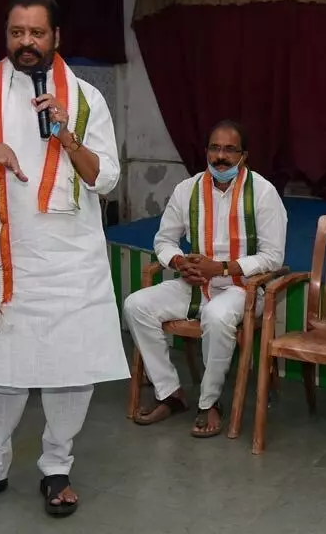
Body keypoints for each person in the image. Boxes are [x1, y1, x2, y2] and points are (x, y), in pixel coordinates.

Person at [0, 0, 128, 518]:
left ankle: (57, 466)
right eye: (17, 33)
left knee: (71, 370)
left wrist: (67, 136)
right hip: (6, 259)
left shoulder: (88, 97)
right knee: (0, 370)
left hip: (72, 262)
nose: (26, 43)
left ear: (56, 37)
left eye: (37, 33)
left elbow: (106, 177)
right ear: (7, 36)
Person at [123, 121, 287, 437]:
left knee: (217, 314)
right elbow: (163, 240)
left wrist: (223, 268)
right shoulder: (188, 190)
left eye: (229, 149)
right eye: (215, 147)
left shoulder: (264, 193)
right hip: (196, 283)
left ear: (244, 155)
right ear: (206, 151)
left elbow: (272, 257)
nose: (220, 156)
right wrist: (179, 261)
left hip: (245, 289)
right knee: (136, 305)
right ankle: (171, 394)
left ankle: (209, 402)